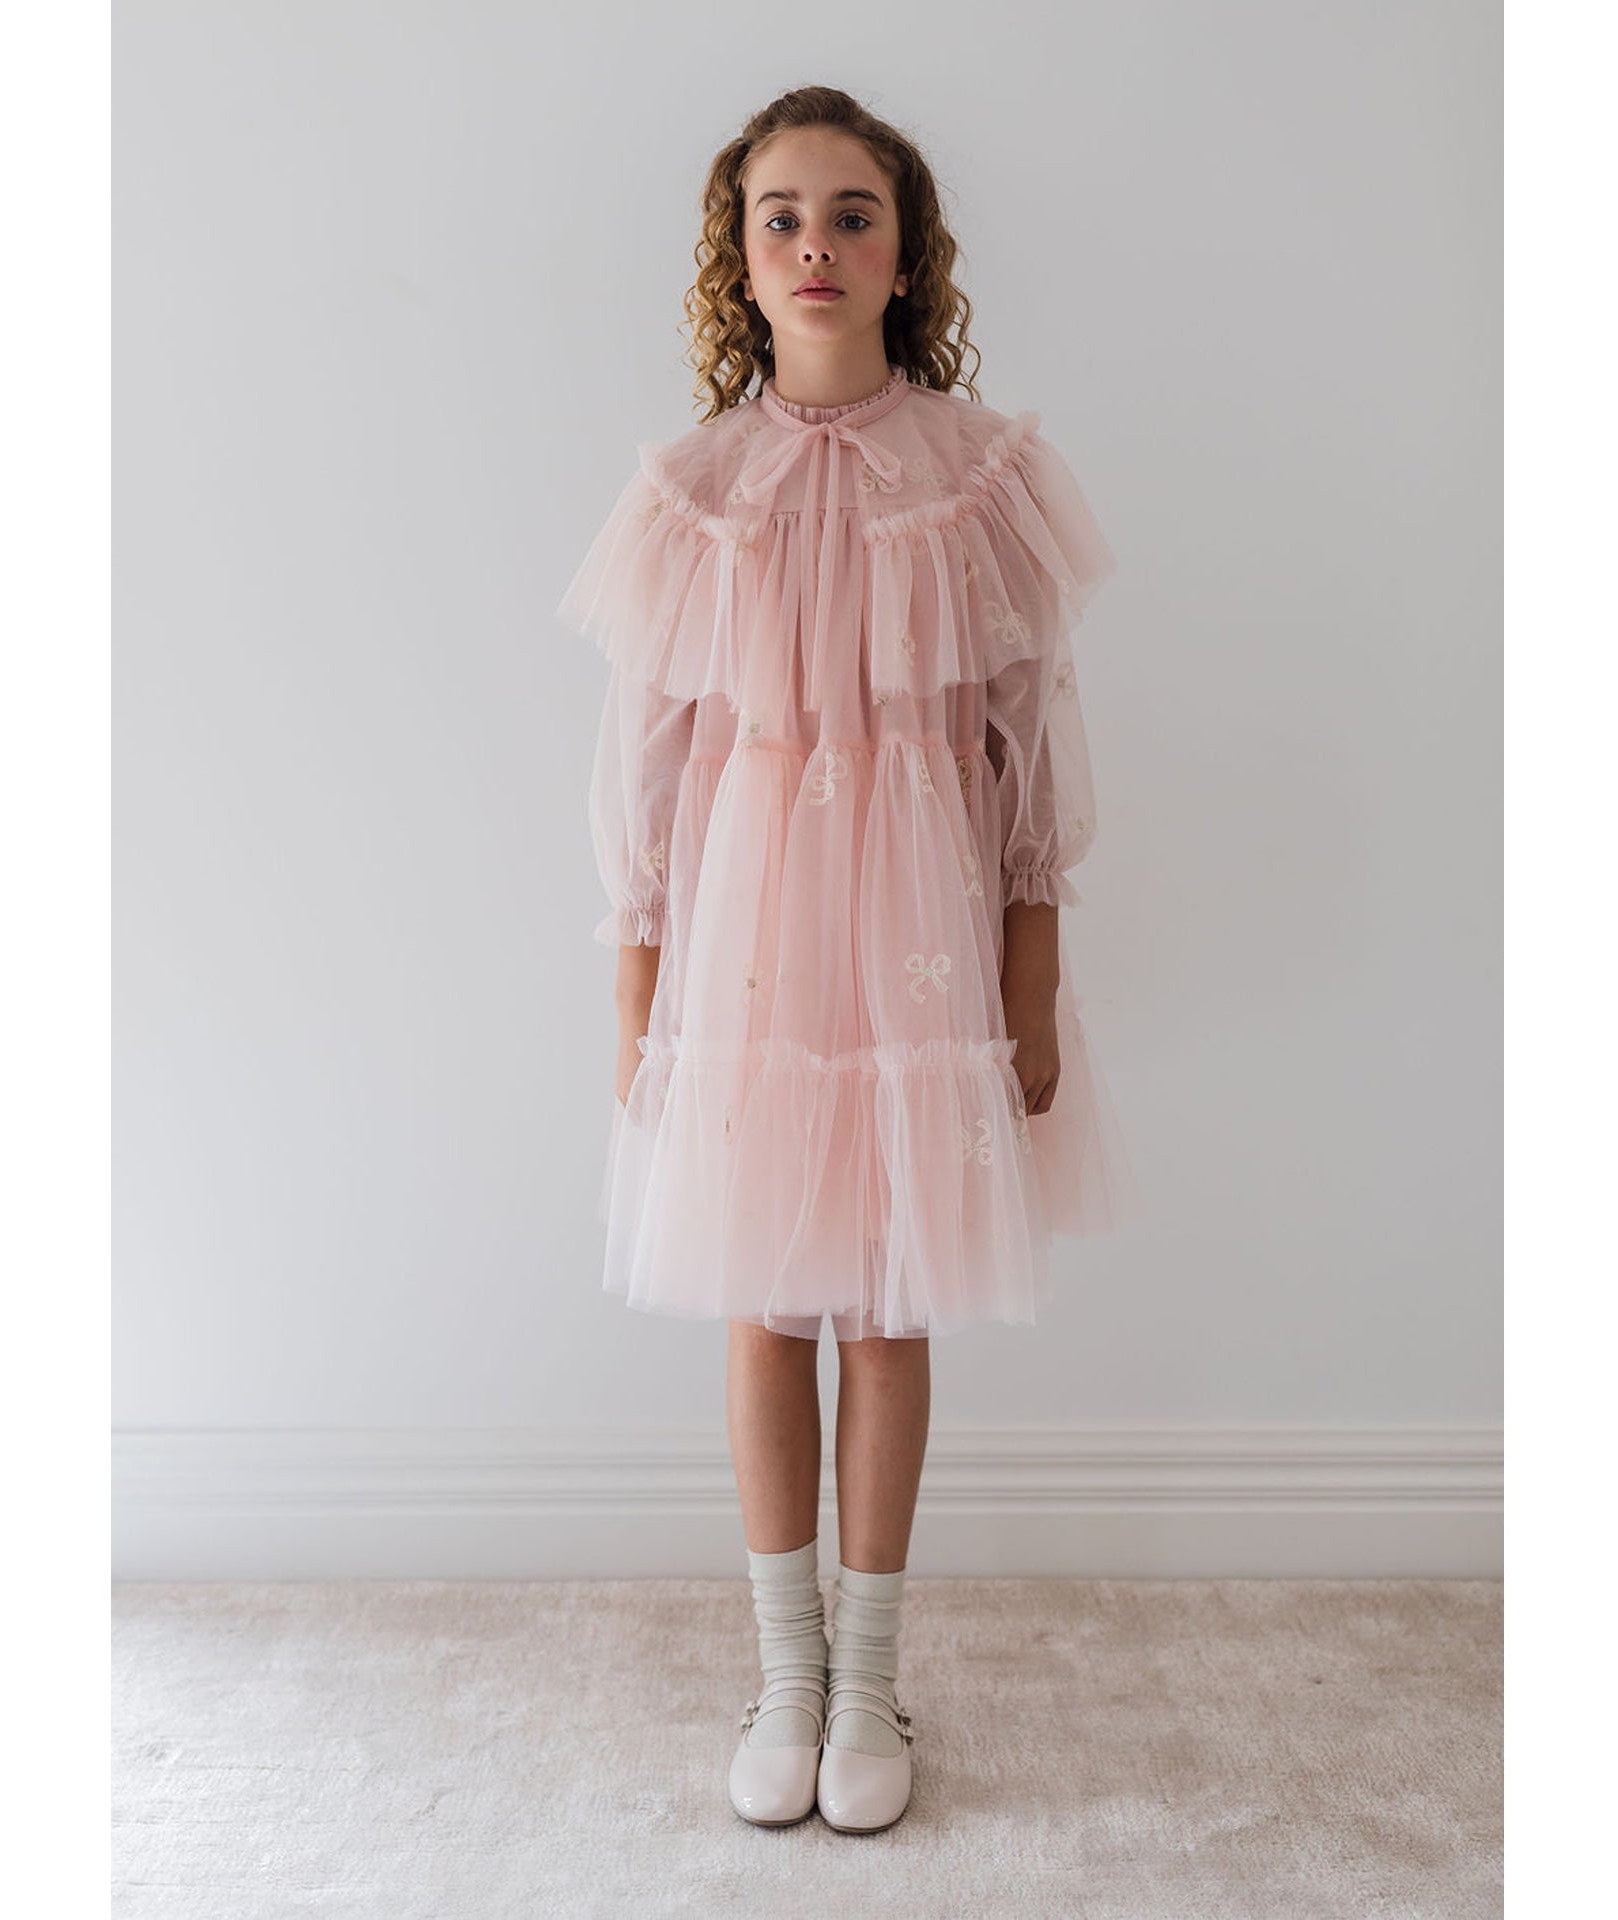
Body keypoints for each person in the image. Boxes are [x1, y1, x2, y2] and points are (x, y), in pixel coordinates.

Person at [557, 86, 1131, 1834]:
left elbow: (1026, 733)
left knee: (886, 1302)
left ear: (906, 252)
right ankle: (786, 1671)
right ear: (739, 260)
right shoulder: (689, 496)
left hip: (920, 944)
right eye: (782, 217)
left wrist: (1031, 969)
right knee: (763, 1296)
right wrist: (640, 983)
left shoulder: (981, 477)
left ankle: (870, 1675)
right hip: (747, 943)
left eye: (852, 214)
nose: (817, 244)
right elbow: (649, 757)